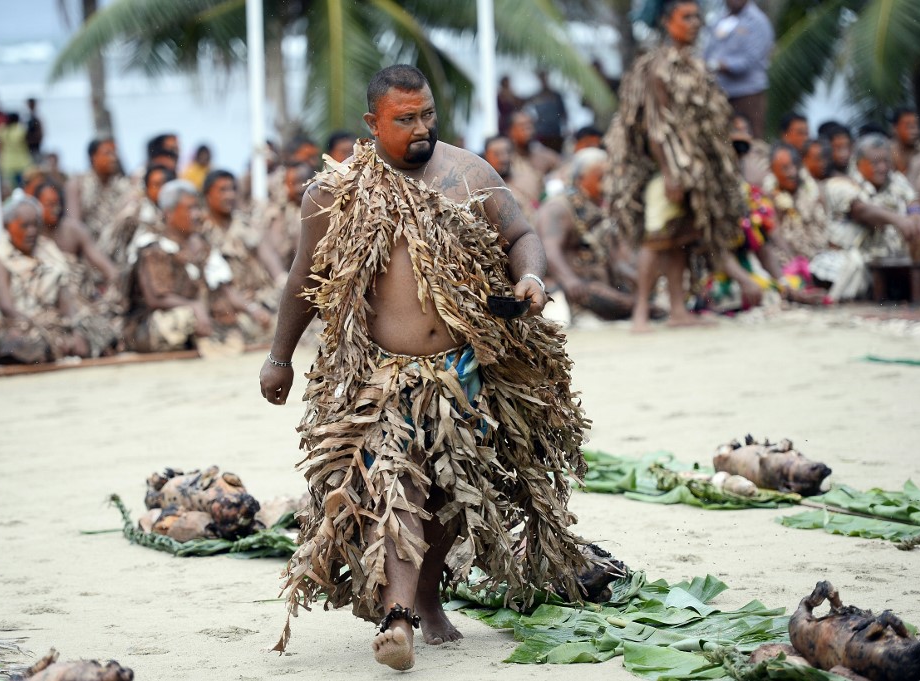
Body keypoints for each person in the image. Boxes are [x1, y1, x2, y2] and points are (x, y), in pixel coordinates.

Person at [258, 64, 590, 671]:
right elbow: (303, 281)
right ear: (371, 123)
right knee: (398, 481)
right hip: (380, 374)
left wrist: (532, 277)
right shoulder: (335, 193)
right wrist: (279, 357)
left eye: (427, 115)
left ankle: (427, 597)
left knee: (448, 493)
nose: (421, 129)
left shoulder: (467, 173)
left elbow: (521, 234)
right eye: (404, 119)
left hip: (464, 368)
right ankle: (398, 617)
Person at [605, 0, 743, 331]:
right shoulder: (659, 67)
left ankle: (679, 310)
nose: (695, 23)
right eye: (687, 17)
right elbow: (656, 128)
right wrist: (670, 173)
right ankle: (640, 312)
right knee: (656, 240)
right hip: (667, 172)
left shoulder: (695, 64)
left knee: (679, 238)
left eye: (697, 16)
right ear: (668, 22)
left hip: (692, 170)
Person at [0, 195, 116, 364]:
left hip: (53, 323)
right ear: (8, 226)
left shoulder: (47, 249)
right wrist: (43, 331)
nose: (31, 231)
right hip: (19, 325)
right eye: (24, 226)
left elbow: (64, 296)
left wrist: (73, 327)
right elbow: (8, 309)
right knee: (16, 343)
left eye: (35, 224)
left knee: (98, 331)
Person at [125, 180, 246, 353]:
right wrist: (193, 306)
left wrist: (251, 309)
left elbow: (224, 287)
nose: (197, 214)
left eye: (198, 208)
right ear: (169, 213)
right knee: (181, 319)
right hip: (148, 324)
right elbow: (156, 299)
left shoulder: (201, 246)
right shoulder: (153, 246)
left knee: (237, 316)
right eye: (190, 209)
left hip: (199, 314)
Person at [537, 148, 643, 321]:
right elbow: (549, 250)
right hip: (573, 288)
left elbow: (617, 258)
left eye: (609, 176)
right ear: (581, 179)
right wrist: (569, 280)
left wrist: (638, 279)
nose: (607, 183)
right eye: (601, 177)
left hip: (604, 284)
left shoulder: (602, 208)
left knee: (634, 296)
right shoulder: (558, 208)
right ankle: (643, 307)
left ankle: (641, 305)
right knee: (621, 301)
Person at [821, 133, 920, 299]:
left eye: (886, 161)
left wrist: (919, 222)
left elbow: (913, 205)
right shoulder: (842, 184)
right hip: (859, 261)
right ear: (859, 163)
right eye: (875, 162)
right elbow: (861, 211)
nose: (882, 167)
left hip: (898, 260)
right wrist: (898, 220)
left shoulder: (896, 180)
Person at [201, 169, 283, 345]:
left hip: (262, 297)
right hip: (231, 306)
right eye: (222, 190)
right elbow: (222, 287)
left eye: (232, 189)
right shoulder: (202, 232)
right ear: (208, 194)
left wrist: (285, 284)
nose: (229, 195)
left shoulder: (245, 224)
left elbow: (270, 259)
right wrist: (251, 309)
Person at [703, 0, 774, 139]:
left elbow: (750, 60)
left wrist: (719, 65)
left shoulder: (758, 21)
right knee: (720, 140)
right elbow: (708, 50)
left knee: (750, 141)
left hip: (747, 94)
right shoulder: (720, 18)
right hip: (720, 94)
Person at [101, 164, 174, 266]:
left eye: (164, 185)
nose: (161, 189)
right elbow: (114, 244)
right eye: (156, 184)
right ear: (147, 187)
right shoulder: (136, 210)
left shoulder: (173, 213)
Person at [66, 137, 132, 243]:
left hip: (118, 243)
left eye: (114, 153)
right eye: (107, 153)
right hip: (90, 244)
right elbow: (74, 224)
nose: (113, 158)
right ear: (93, 157)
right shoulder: (78, 185)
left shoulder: (123, 185)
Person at [483, 135, 536, 221]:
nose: (504, 158)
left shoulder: (529, 178)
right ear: (487, 155)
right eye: (497, 154)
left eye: (507, 152)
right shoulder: (481, 186)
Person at [528, 70, 567, 153]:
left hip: (555, 131)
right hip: (542, 133)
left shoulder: (556, 95)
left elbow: (564, 113)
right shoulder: (536, 96)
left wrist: (565, 128)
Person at [0, 112, 33, 191]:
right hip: (22, 162)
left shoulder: (2, 129)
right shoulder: (20, 129)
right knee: (24, 188)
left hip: (7, 163)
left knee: (11, 189)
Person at [25, 98, 44, 163]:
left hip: (35, 148)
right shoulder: (27, 116)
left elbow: (40, 134)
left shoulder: (36, 117)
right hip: (29, 149)